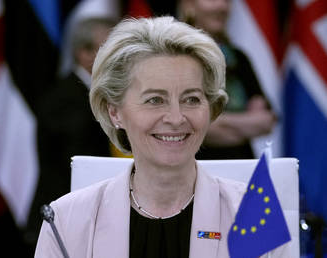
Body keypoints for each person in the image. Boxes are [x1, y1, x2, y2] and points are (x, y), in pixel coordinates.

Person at [34, 17, 291, 257]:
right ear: (115, 112)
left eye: (191, 99)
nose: (176, 118)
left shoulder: (256, 216)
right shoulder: (65, 221)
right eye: (155, 100)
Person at [25, 17, 116, 247]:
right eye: (110, 49)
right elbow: (79, 162)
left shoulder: (90, 95)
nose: (119, 57)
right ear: (84, 53)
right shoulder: (66, 99)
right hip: (60, 223)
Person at [179, 0, 276, 159]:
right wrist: (247, 124)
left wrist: (215, 123)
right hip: (196, 168)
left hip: (242, 167)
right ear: (188, 5)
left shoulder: (239, 57)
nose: (222, 7)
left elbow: (266, 121)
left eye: (227, 1)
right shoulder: (176, 57)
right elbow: (183, 123)